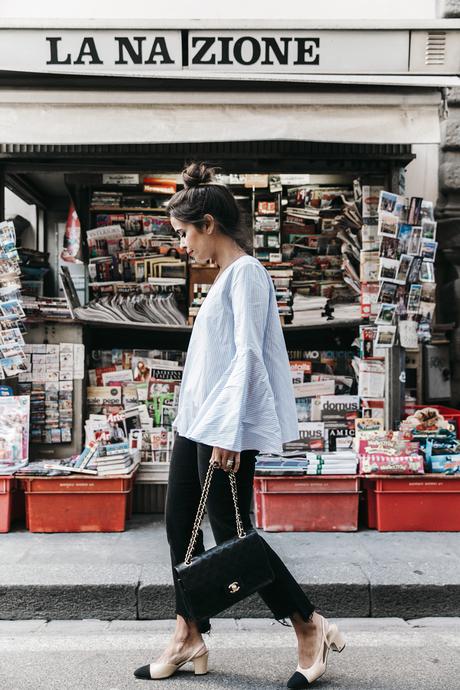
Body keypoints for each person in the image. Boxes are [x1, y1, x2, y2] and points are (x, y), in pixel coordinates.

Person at [134, 163, 345, 688]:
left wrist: (231, 432)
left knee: (233, 535)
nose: (183, 245)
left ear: (207, 223)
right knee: (180, 530)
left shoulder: (247, 273)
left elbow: (250, 357)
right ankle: (188, 634)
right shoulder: (226, 277)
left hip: (221, 429)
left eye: (183, 233)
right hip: (195, 424)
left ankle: (307, 625)